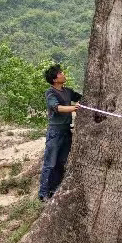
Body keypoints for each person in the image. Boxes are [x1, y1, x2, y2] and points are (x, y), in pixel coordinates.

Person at [38, 64, 82, 202]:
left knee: (61, 162)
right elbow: (57, 108)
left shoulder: (68, 91)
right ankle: (43, 193)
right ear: (54, 79)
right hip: (55, 132)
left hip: (66, 131)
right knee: (50, 163)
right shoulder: (50, 93)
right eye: (60, 73)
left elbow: (82, 97)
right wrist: (74, 108)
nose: (63, 74)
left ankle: (54, 190)